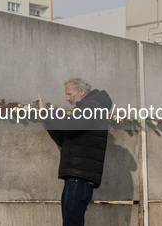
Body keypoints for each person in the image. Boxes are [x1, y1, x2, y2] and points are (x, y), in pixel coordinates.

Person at [37, 78, 112, 226]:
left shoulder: (92, 106)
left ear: (82, 91)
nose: (67, 98)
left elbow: (71, 125)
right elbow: (64, 139)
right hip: (76, 176)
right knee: (71, 221)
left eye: (70, 94)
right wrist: (45, 118)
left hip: (80, 177)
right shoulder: (85, 110)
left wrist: (47, 113)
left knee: (72, 222)